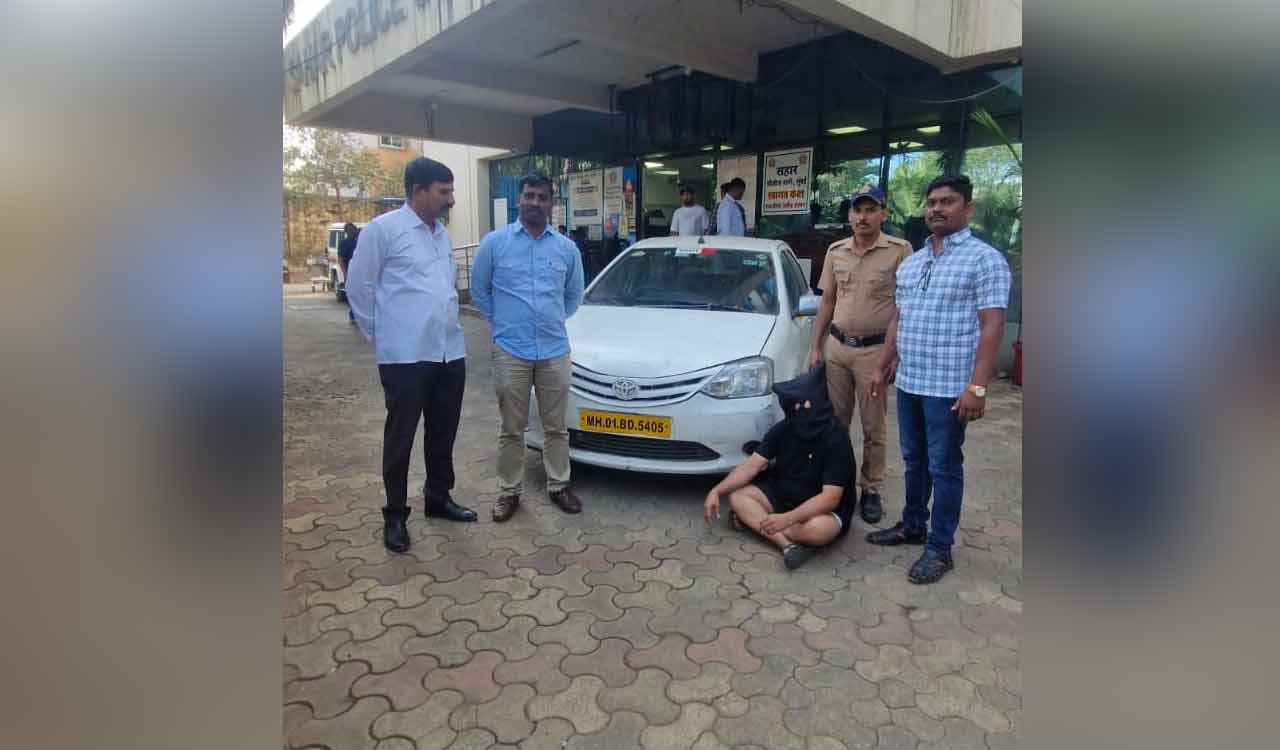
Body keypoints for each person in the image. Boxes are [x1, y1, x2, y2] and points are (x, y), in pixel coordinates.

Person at [867, 175, 1011, 584]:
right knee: (914, 461)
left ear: (968, 208)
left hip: (948, 388)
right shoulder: (913, 262)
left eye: (947, 201)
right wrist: (882, 365)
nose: (936, 209)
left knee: (944, 467)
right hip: (910, 382)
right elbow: (899, 319)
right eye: (932, 202)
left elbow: (993, 327)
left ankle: (940, 547)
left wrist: (977, 387)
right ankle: (914, 525)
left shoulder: (984, 260)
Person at [346, 157, 478, 554]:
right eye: (443, 191)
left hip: (448, 351)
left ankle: (437, 497)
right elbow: (359, 286)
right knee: (401, 437)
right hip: (405, 356)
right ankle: (395, 515)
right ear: (418, 190)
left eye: (451, 191)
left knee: (443, 432)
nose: (450, 199)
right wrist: (384, 337)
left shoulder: (440, 234)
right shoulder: (384, 230)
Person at [472, 174, 586, 523]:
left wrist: (550, 320)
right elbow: (479, 291)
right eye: (529, 195)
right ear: (519, 199)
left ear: (552, 203)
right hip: (511, 350)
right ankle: (509, 491)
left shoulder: (566, 249)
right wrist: (503, 325)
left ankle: (558, 485)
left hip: (554, 350)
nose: (535, 202)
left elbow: (573, 296)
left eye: (542, 197)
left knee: (556, 427)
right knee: (512, 428)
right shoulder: (495, 244)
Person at [806, 184, 912, 526]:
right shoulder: (836, 251)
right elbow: (827, 302)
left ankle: (871, 489)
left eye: (870, 210)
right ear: (850, 215)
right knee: (835, 423)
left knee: (873, 426)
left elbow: (905, 308)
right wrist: (815, 347)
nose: (862, 217)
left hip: (874, 352)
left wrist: (893, 355)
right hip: (837, 349)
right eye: (857, 210)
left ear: (883, 213)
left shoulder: (899, 251)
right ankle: (836, 486)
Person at [702, 363, 857, 570]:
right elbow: (752, 465)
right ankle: (787, 545)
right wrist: (717, 490)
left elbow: (830, 498)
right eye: (795, 405)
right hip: (783, 495)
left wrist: (787, 519)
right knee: (737, 497)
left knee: (817, 530)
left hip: (820, 510)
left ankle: (755, 524)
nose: (800, 410)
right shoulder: (784, 428)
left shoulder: (836, 439)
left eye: (806, 405)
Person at [337, 223, 360, 323]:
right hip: (350, 273)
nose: (353, 232)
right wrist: (345, 274)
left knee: (361, 294)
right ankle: (353, 315)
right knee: (353, 295)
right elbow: (341, 260)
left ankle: (357, 315)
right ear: (347, 232)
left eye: (353, 230)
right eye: (350, 231)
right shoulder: (344, 243)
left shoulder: (360, 241)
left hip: (361, 273)